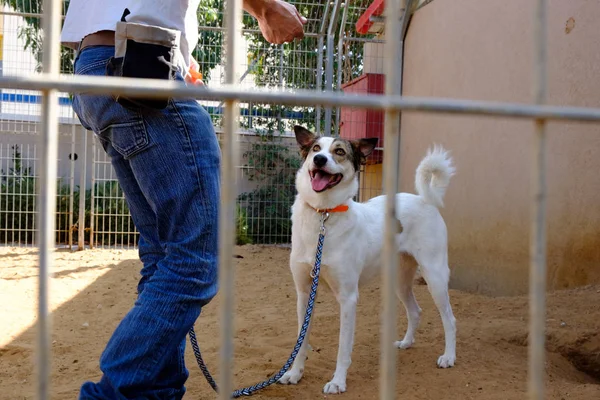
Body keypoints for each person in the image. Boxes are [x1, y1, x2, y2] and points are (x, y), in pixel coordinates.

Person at [60, 1, 306, 398]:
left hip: (94, 67)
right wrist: (266, 8)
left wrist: (183, 58)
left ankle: (155, 393)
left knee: (162, 255)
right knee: (194, 261)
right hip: (140, 64)